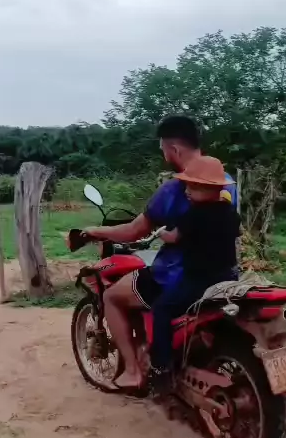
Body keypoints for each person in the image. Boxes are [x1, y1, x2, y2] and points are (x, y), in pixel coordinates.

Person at [82, 115, 237, 391]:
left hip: (178, 275)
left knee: (112, 296)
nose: (164, 156)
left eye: (163, 149)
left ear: (173, 149)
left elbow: (134, 231)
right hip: (225, 274)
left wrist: (96, 231)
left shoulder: (176, 188)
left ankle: (137, 372)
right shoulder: (224, 182)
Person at [150, 155, 241, 393]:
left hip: (199, 282)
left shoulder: (193, 214)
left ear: (211, 189)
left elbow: (174, 237)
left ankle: (161, 367)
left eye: (193, 186)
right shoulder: (231, 213)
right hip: (229, 279)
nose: (187, 191)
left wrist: (160, 233)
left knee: (161, 309)